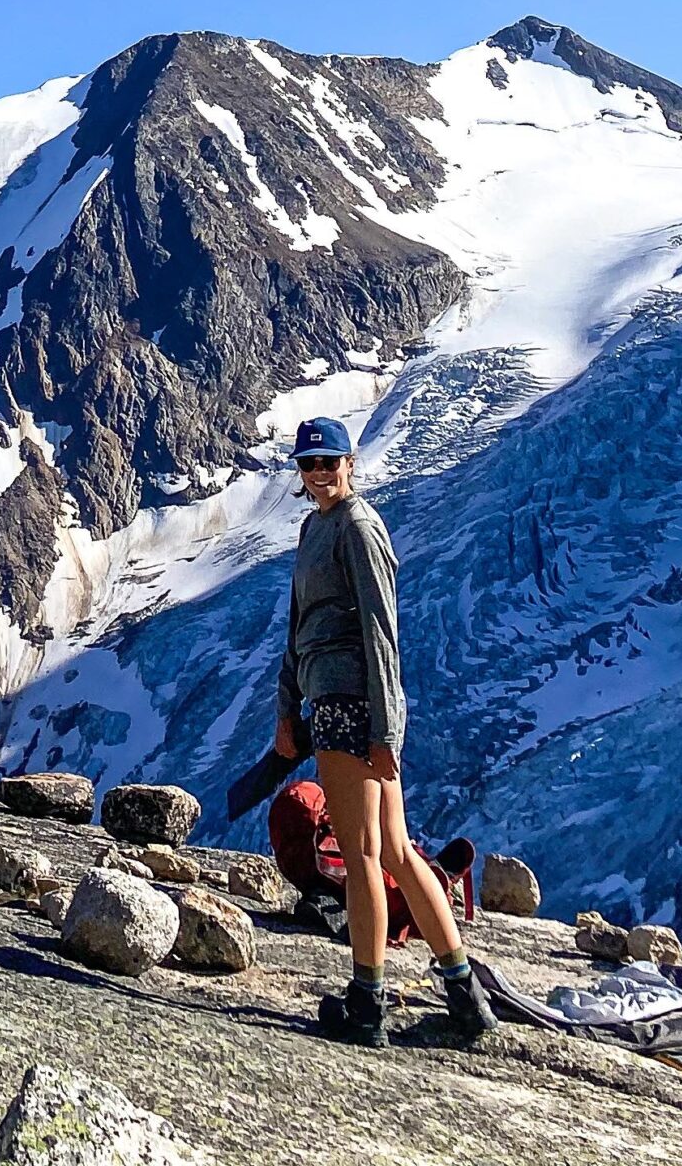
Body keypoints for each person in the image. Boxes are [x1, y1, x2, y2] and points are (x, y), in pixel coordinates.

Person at [274, 414, 494, 1047]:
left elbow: (380, 633)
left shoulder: (359, 529)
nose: (319, 473)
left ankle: (368, 1002)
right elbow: (299, 629)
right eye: (308, 464)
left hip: (352, 706)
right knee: (395, 851)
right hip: (334, 701)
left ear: (350, 462)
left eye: (329, 462)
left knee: (365, 853)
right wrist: (287, 707)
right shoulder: (316, 529)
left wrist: (385, 731)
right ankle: (464, 992)